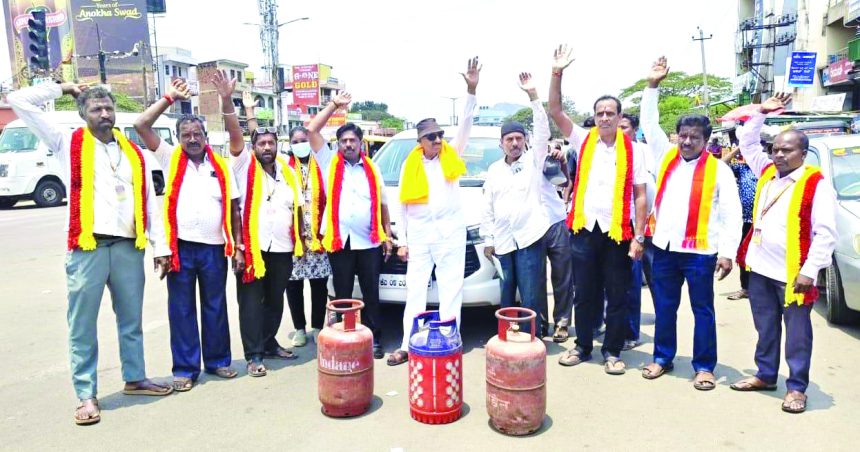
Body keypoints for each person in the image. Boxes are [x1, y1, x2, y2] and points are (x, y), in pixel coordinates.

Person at [9, 82, 173, 425]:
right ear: (83, 113)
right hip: (88, 248)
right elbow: (18, 100)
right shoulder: (67, 142)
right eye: (96, 109)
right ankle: (86, 395)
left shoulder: (134, 153)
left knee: (131, 320)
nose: (104, 114)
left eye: (108, 108)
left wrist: (161, 248)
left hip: (128, 246)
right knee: (82, 325)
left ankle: (135, 378)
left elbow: (148, 203)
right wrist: (63, 88)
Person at [133, 75, 243, 392]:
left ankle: (218, 361)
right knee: (181, 310)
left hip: (214, 249)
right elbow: (141, 125)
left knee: (215, 306)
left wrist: (237, 247)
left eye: (197, 134)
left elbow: (234, 210)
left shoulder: (221, 166)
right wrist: (168, 98)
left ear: (205, 137)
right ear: (178, 138)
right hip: (180, 249)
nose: (192, 139)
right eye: (186, 135)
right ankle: (185, 368)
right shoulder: (170, 157)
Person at [639, 56, 743, 390]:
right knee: (664, 308)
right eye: (682, 135)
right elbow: (648, 123)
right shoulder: (665, 156)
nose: (686, 142)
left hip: (700, 253)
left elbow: (731, 214)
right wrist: (652, 85)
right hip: (665, 249)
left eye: (694, 137)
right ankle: (662, 358)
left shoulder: (719, 170)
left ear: (706, 140)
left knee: (703, 310)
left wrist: (727, 253)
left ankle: (704, 366)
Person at [732, 93, 838, 414]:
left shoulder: (815, 184)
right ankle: (765, 375)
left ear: (802, 154)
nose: (778, 154)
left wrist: (809, 270)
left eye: (786, 150)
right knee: (765, 327)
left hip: (793, 275)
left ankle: (796, 388)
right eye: (775, 149)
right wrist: (761, 113)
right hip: (761, 269)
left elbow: (826, 233)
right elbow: (747, 142)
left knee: (797, 334)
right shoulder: (767, 173)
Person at [548, 45, 649, 375]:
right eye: (600, 113)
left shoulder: (634, 151)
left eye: (610, 113)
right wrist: (557, 72)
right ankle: (582, 346)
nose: (604, 117)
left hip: (617, 232)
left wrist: (639, 237)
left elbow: (640, 196)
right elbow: (555, 110)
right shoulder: (582, 139)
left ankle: (613, 351)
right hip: (584, 229)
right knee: (584, 293)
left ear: (619, 117)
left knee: (617, 294)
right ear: (594, 117)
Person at [388, 57, 480, 366]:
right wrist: (402, 241)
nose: (438, 140)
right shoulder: (409, 165)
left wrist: (471, 90)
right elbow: (400, 206)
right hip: (420, 237)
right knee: (415, 292)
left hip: (450, 235)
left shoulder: (452, 154)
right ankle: (408, 344)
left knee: (451, 291)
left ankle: (449, 342)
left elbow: (465, 125)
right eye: (431, 137)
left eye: (439, 135)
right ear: (421, 141)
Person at [243, 93, 331, 348]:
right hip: (293, 240)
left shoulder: (322, 163)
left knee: (319, 285)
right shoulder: (283, 166)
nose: (301, 145)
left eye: (304, 141)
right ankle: (299, 329)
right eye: (295, 142)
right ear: (288, 145)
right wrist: (250, 114)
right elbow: (258, 143)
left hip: (317, 238)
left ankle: (317, 327)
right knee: (293, 286)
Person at [228, 108, 304, 377]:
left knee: (274, 300)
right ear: (254, 147)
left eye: (271, 142)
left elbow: (297, 209)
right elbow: (235, 135)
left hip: (282, 247)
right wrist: (232, 105)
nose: (267, 147)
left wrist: (302, 241)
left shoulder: (288, 172)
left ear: (277, 145)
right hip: (253, 249)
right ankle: (254, 355)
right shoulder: (244, 167)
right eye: (261, 143)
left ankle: (269, 343)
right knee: (250, 303)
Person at [481, 72, 554, 335]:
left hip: (529, 239)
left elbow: (543, 130)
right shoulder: (494, 170)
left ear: (525, 141)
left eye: (518, 139)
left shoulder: (534, 161)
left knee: (531, 293)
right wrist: (488, 239)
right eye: (509, 139)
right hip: (502, 242)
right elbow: (488, 207)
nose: (514, 143)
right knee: (506, 293)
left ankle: (532, 339)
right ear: (501, 143)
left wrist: (533, 95)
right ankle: (508, 338)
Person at [722, 143, 758, 300]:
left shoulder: (767, 169)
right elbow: (721, 164)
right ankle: (746, 288)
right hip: (745, 221)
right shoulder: (742, 169)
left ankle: (761, 289)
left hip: (761, 222)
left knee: (761, 255)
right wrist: (738, 148)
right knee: (743, 255)